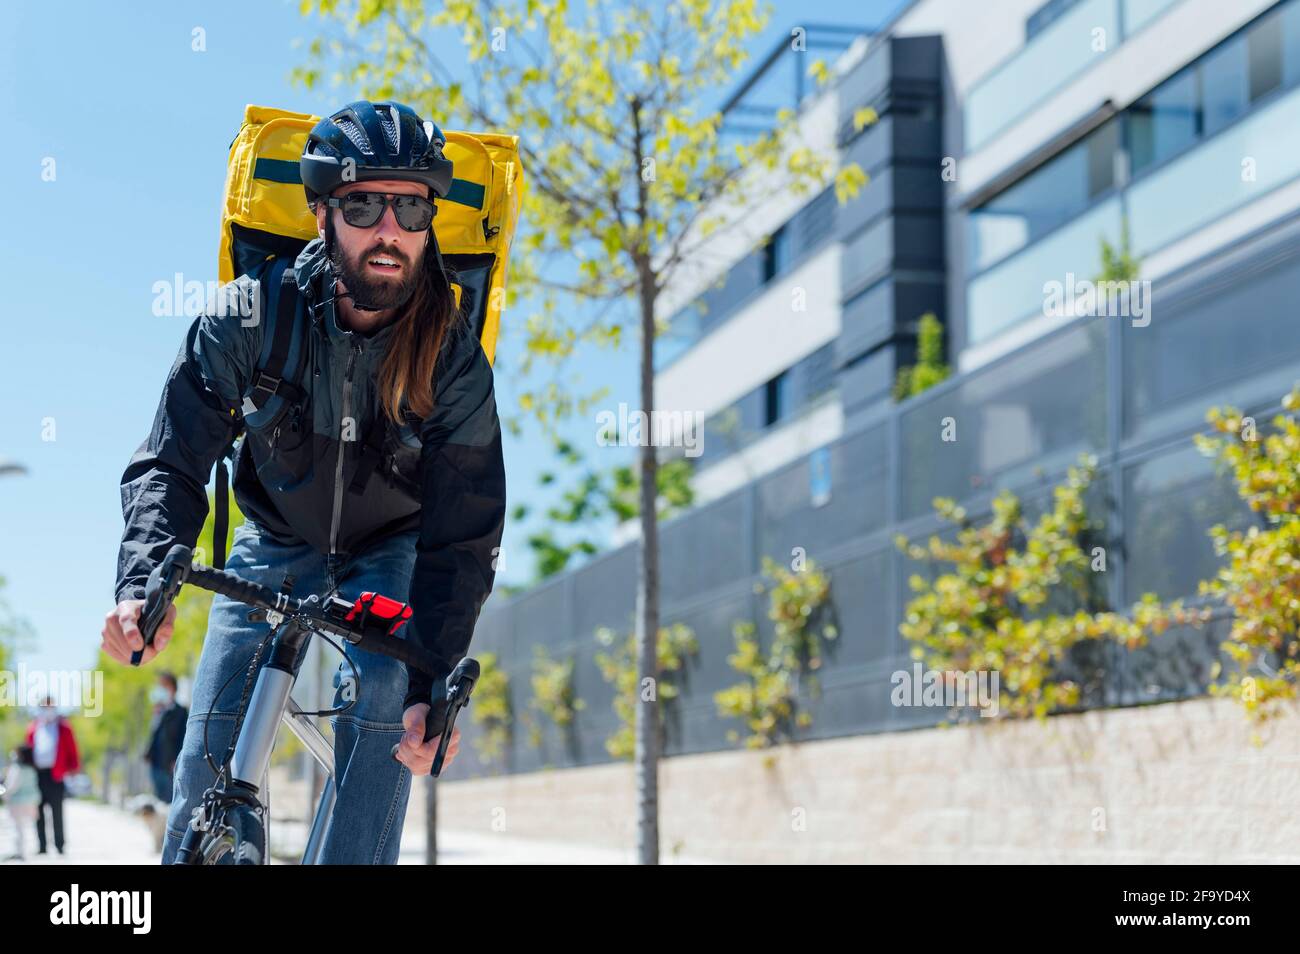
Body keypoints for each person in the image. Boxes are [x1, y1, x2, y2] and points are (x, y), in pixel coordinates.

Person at [103, 100, 506, 865]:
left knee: (390, 694)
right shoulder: (249, 316)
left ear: (430, 219)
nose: (389, 229)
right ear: (322, 211)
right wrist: (144, 583)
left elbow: (466, 528)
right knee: (205, 759)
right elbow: (173, 458)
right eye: (363, 203)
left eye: (412, 207)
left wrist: (434, 679)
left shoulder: (452, 356)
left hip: (393, 549)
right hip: (273, 539)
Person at [24, 698, 81, 855]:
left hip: (56, 775)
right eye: (44, 707)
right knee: (38, 811)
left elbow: (72, 750)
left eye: (50, 707)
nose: (48, 710)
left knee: (57, 811)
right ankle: (41, 845)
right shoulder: (34, 727)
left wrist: (74, 770)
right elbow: (27, 749)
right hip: (37, 775)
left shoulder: (64, 728)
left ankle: (59, 845)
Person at [144, 672, 188, 803]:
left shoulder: (180, 711)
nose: (159, 688)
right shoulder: (159, 710)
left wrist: (177, 759)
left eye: (163, 685)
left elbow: (182, 736)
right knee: (157, 798)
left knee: (169, 800)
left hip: (169, 763)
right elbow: (154, 735)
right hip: (155, 762)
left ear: (172, 688)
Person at [2, 746, 40, 861]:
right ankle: (28, 850)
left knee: (17, 828)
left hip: (17, 802)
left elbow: (11, 786)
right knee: (28, 826)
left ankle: (20, 851)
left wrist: (4, 794)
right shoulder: (32, 768)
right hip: (32, 801)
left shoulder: (16, 768)